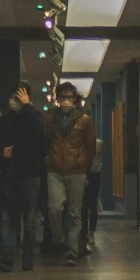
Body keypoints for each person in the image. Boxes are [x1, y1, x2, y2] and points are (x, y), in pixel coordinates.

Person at [0, 80, 48, 271]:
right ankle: (7, 258)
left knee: (30, 219)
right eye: (13, 97)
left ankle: (27, 258)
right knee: (8, 218)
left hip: (31, 174)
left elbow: (40, 137)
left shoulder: (34, 117)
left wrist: (28, 107)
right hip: (10, 174)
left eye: (19, 97)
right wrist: (1, 152)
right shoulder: (5, 119)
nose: (14, 101)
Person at [43, 82, 96, 265]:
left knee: (75, 213)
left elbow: (90, 147)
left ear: (75, 99)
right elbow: (46, 141)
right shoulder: (50, 118)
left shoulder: (84, 120)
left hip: (76, 171)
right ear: (57, 98)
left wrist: (83, 165)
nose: (66, 100)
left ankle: (72, 250)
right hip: (55, 169)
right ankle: (59, 239)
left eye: (69, 97)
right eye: (62, 96)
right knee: (54, 208)